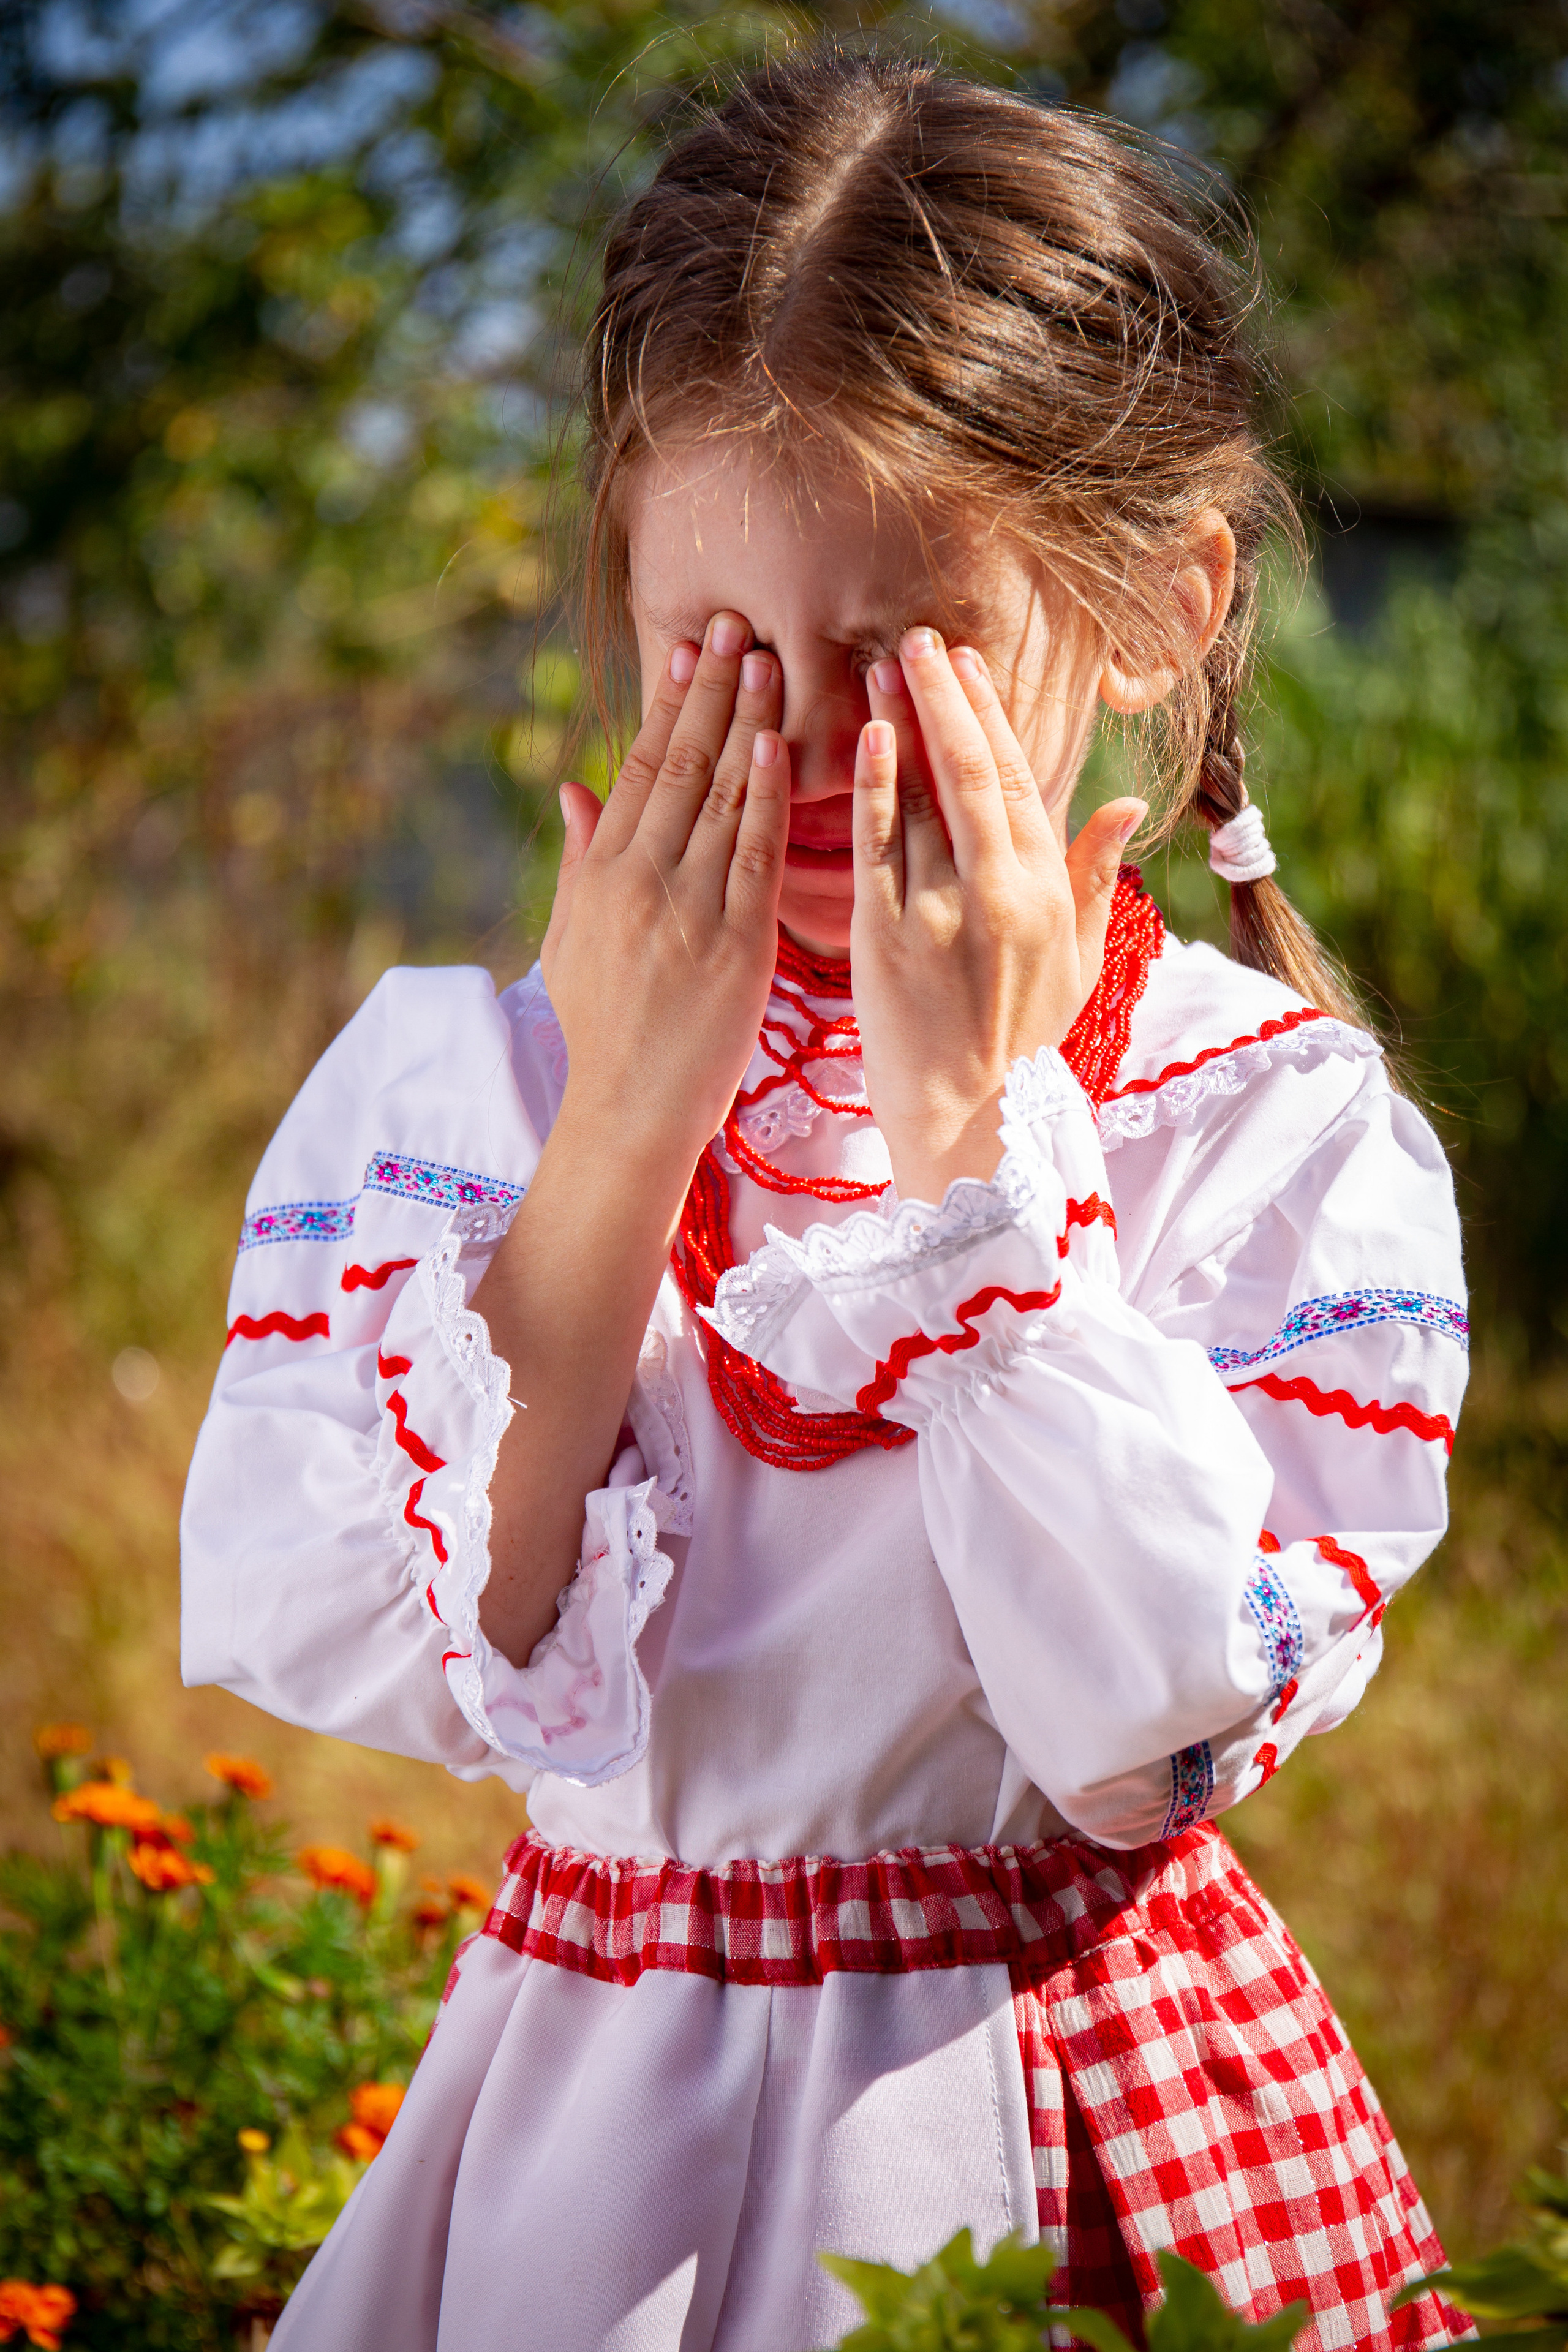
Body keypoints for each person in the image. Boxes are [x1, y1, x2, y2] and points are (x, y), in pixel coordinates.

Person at [180, 51, 1473, 2352]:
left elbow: (1141, 1724)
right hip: (600, 2142)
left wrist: (975, 1139)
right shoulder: (465, 1093)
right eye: (721, 660)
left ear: (1168, 606)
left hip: (1066, 2109)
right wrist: (617, 1137)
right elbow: (393, 1642)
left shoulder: (1263, 1129)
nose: (797, 753)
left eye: (899, 663)